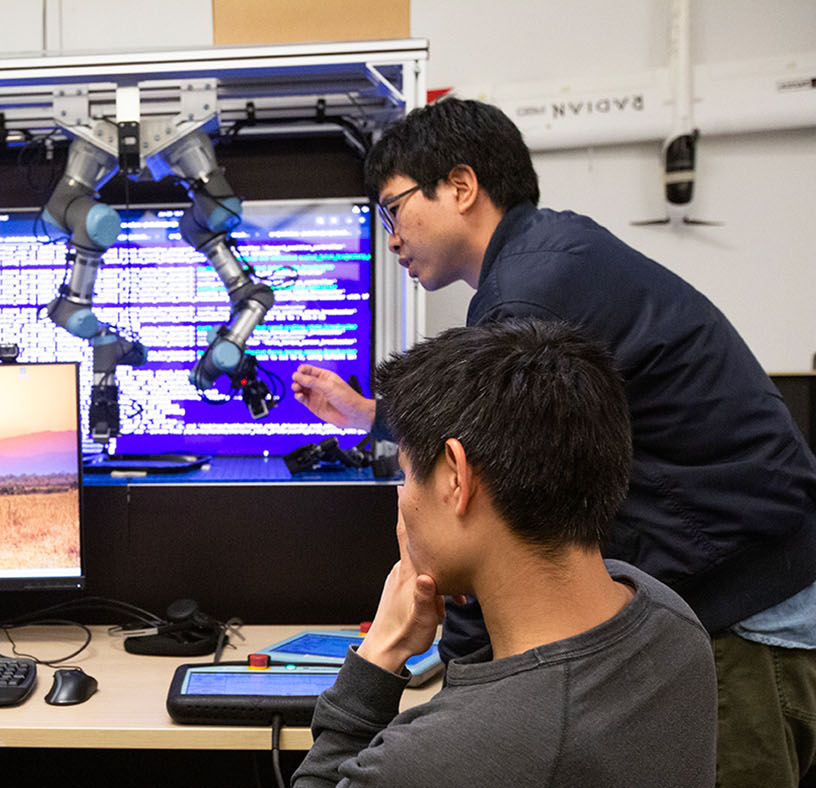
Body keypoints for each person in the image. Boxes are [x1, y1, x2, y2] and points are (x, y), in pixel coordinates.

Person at [291, 98, 816, 787]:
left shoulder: (526, 298)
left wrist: (465, 709)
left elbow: (496, 502)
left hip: (744, 620)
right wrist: (367, 416)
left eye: (393, 209)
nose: (389, 237)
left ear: (460, 186)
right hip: (749, 590)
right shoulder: (552, 259)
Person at [291, 318, 717, 788]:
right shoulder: (670, 621)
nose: (403, 498)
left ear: (456, 477)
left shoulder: (438, 758)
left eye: (407, 474)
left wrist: (380, 653)